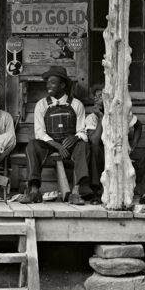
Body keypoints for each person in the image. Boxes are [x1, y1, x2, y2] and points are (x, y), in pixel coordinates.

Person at [20, 66, 93, 204]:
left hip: (69, 145)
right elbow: (39, 132)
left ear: (63, 85)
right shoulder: (42, 104)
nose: (48, 85)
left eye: (52, 82)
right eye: (47, 82)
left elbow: (82, 131)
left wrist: (76, 137)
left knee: (83, 146)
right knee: (32, 145)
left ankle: (75, 192)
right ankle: (34, 191)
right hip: (49, 144)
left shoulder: (77, 104)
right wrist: (56, 145)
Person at [85, 84, 145, 204]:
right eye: (95, 97)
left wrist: (133, 146)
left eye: (99, 96)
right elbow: (94, 141)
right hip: (104, 153)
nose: (95, 99)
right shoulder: (92, 117)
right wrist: (102, 117)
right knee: (94, 149)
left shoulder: (121, 113)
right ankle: (97, 193)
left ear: (109, 98)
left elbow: (138, 126)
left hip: (122, 150)